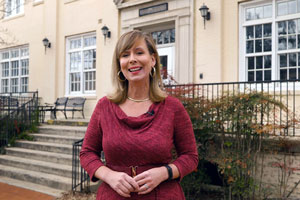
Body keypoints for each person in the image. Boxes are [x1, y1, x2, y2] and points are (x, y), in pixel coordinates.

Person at [80, 30, 198, 200]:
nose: (132, 59)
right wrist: (109, 176)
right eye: (125, 55)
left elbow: (190, 156)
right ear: (120, 64)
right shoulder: (104, 107)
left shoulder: (173, 108)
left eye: (139, 52)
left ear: (152, 60)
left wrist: (164, 172)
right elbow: (87, 153)